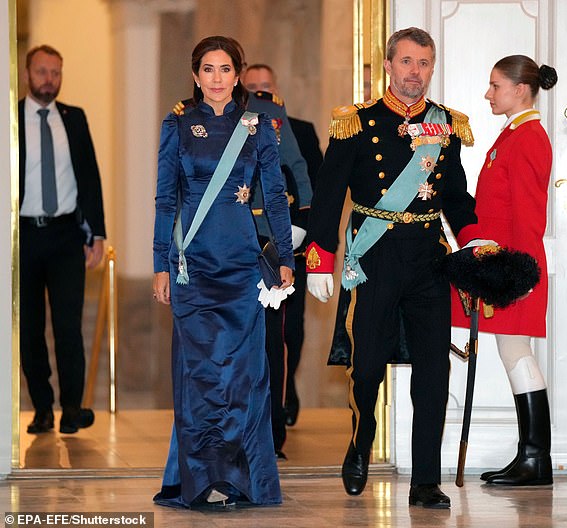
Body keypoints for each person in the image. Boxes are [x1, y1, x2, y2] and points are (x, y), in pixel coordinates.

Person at [304, 27, 481, 509]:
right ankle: (362, 440)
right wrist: (319, 258)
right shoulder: (355, 123)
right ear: (388, 65)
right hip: (374, 255)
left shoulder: (447, 125)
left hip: (428, 258)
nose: (415, 73)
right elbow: (326, 196)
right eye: (406, 62)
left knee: (433, 372)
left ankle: (425, 478)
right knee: (366, 368)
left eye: (424, 63)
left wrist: (474, 239)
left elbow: (456, 198)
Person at [152, 36, 293, 509]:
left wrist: (287, 259)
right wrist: (159, 265)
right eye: (208, 70)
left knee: (243, 377)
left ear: (238, 74)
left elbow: (274, 196)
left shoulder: (260, 128)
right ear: (195, 76)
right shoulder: (176, 125)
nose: (217, 78)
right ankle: (199, 480)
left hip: (240, 268)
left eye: (225, 69)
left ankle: (239, 479)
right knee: (198, 378)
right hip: (191, 268)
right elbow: (164, 201)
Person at [452, 55, 558, 486]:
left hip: (516, 269)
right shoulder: (514, 134)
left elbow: (531, 219)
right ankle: (531, 457)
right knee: (513, 354)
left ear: (520, 88)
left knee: (516, 354)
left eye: (495, 86)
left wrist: (518, 276)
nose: (488, 93)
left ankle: (536, 457)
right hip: (505, 267)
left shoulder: (529, 136)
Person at [19, 45, 106, 435]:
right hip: (23, 236)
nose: (49, 79)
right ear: (27, 73)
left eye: (55, 72)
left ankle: (72, 407)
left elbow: (90, 177)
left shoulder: (74, 118)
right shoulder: (9, 118)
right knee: (30, 328)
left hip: (67, 234)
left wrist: (97, 233)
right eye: (42, 71)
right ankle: (41, 407)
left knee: (69, 326)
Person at [243, 63, 323, 427]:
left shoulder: (291, 127)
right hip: (244, 236)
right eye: (252, 86)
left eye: (266, 86)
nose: (260, 93)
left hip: (285, 239)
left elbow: (307, 182)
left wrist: (303, 232)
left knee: (286, 331)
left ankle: (279, 404)